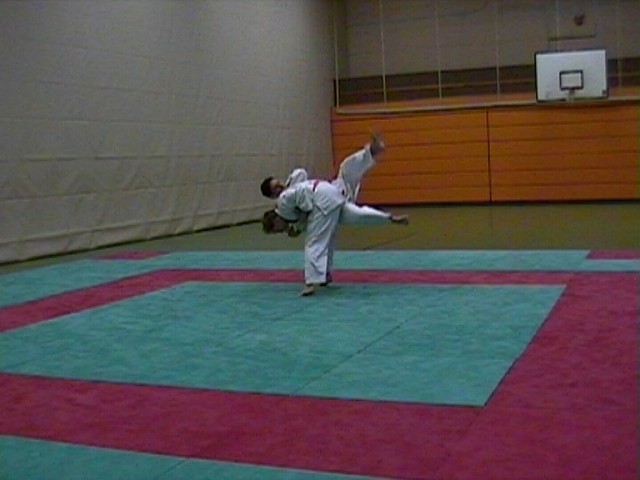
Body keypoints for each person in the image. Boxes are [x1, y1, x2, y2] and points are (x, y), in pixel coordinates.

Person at [262, 179, 409, 296]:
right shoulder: (289, 198)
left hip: (321, 200)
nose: (280, 231)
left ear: (275, 219)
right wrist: (297, 228)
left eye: (276, 229)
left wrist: (296, 229)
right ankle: (388, 218)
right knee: (356, 215)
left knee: (314, 243)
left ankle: (311, 283)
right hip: (331, 192)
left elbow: (306, 214)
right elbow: (305, 217)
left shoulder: (282, 204)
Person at [259, 131, 386, 202]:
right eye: (276, 187)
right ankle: (373, 150)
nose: (280, 185)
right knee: (347, 169)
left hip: (334, 189)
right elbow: (300, 174)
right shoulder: (286, 200)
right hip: (331, 198)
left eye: (278, 182)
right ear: (272, 196)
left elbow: (301, 173)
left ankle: (373, 150)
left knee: (347, 168)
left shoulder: (291, 188)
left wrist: (288, 184)